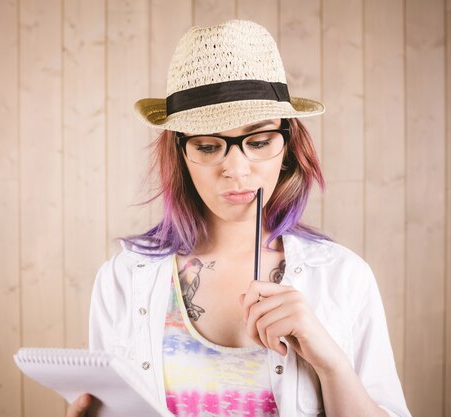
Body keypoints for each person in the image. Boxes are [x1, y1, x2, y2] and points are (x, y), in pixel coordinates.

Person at [67, 20, 411, 417]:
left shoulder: (343, 278)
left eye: (259, 141)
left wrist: (331, 366)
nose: (236, 169)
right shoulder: (124, 278)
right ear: (180, 154)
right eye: (209, 146)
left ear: (288, 146)